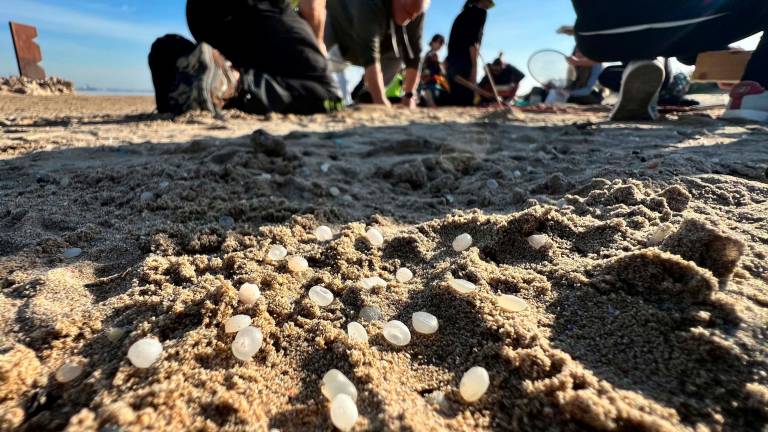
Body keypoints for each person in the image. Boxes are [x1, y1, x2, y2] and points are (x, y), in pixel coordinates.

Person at [569, 0, 768, 122]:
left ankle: (641, 64)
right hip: (666, 17)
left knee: (617, 66)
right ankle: (756, 88)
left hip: (591, 33)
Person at [148, 0, 342, 116]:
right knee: (327, 96)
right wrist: (318, 49)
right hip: (254, 8)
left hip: (199, 13)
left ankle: (173, 69)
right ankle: (231, 84)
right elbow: (313, 6)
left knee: (166, 50)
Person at [299, 0, 430, 109]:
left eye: (416, 14)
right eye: (408, 12)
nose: (412, 17)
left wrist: (409, 95)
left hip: (376, 44)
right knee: (336, 97)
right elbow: (370, 54)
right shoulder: (369, 4)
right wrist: (381, 102)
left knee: (400, 52)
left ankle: (366, 97)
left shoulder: (416, 11)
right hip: (338, 36)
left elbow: (414, 54)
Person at [444, 0, 494, 106]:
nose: (489, 5)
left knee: (456, 101)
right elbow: (473, 43)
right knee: (466, 101)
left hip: (453, 64)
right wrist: (474, 67)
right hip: (465, 64)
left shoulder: (461, 15)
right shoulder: (481, 13)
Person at [420, 34, 447, 106]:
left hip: (430, 84)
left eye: (441, 43)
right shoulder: (432, 55)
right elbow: (428, 71)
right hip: (429, 85)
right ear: (433, 42)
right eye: (439, 42)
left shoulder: (429, 54)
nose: (440, 45)